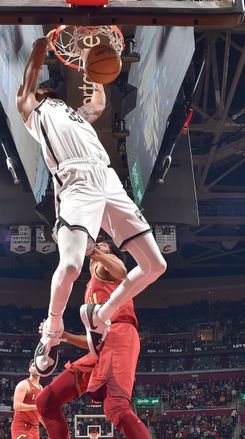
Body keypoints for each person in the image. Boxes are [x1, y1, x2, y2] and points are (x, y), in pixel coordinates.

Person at [17, 33, 166, 375]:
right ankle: (52, 332)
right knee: (70, 266)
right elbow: (28, 82)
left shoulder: (75, 115)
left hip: (108, 179)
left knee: (155, 265)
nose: (48, 91)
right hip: (75, 182)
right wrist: (41, 46)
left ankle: (99, 316)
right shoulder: (33, 111)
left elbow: (97, 104)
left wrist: (91, 67)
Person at [35, 239, 189, 439]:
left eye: (104, 244)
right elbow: (92, 340)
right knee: (46, 401)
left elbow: (121, 270)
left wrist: (95, 250)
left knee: (116, 408)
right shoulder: (89, 286)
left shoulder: (104, 270)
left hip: (121, 337)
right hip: (101, 346)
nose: (97, 246)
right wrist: (61, 336)